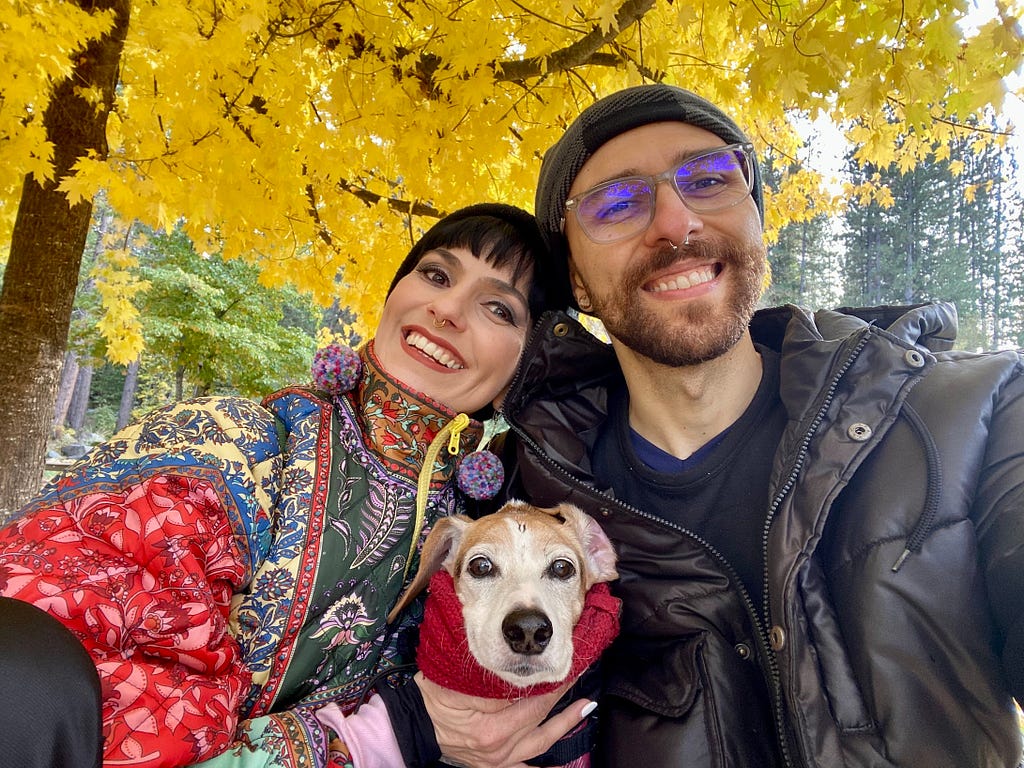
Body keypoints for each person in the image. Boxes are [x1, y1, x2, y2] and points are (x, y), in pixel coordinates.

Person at [490, 84, 1024, 767]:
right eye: (617, 204)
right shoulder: (522, 500)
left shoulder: (972, 414)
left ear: (758, 221)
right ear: (578, 283)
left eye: (709, 180)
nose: (675, 222)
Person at [0, 203, 585, 768]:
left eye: (499, 309)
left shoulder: (497, 541)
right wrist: (386, 736)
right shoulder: (231, 444)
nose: (448, 310)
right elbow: (74, 706)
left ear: (526, 367)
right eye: (436, 274)